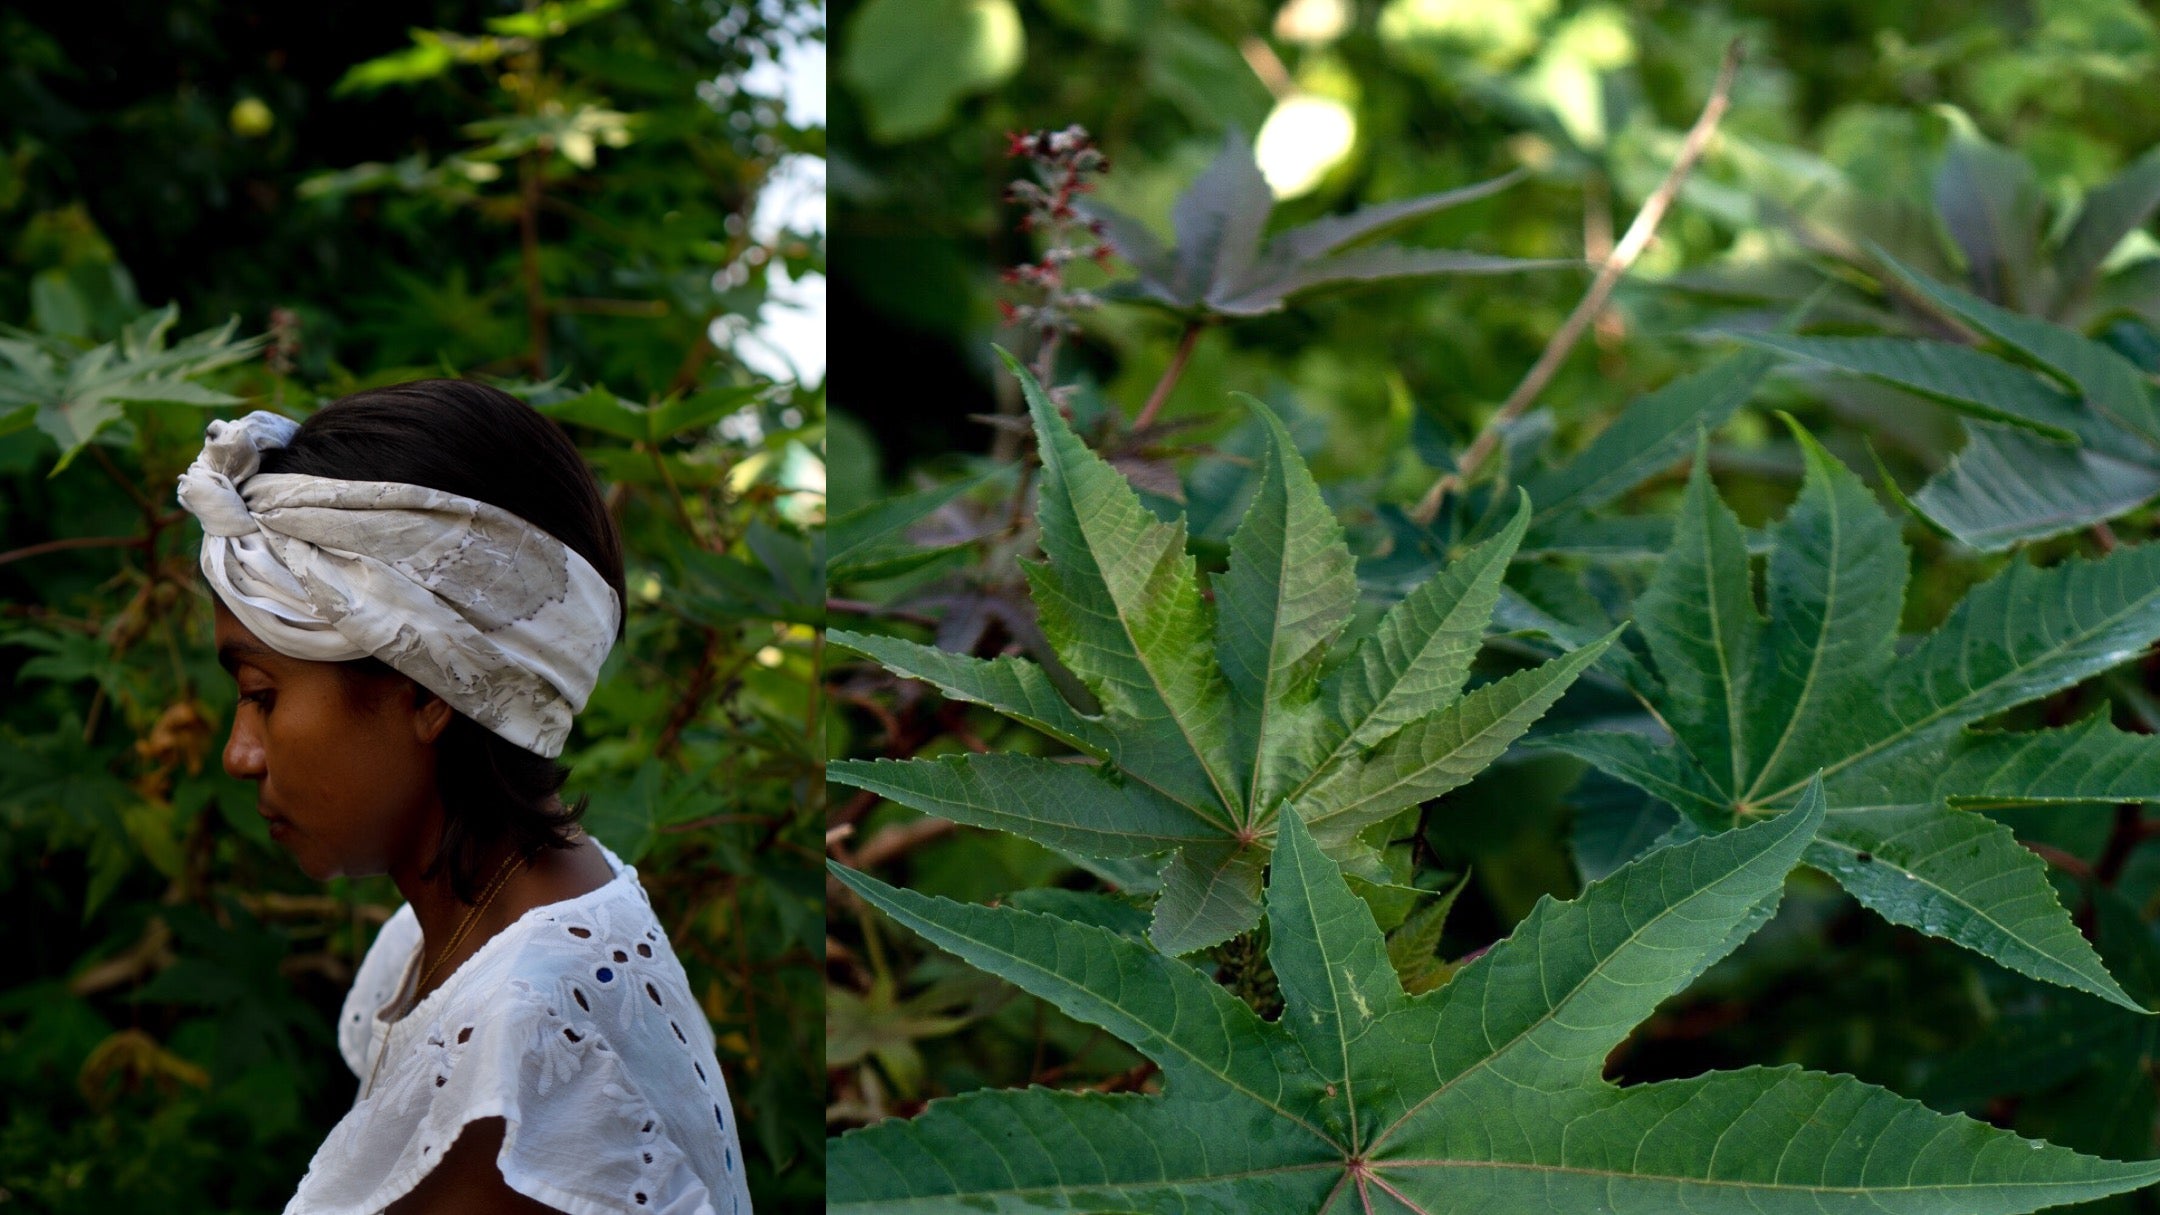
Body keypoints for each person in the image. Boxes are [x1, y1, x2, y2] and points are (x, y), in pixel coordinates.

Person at [175, 380, 753, 1215]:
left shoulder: (521, 1081)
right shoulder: (501, 921)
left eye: (263, 694)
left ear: (429, 690)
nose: (239, 754)